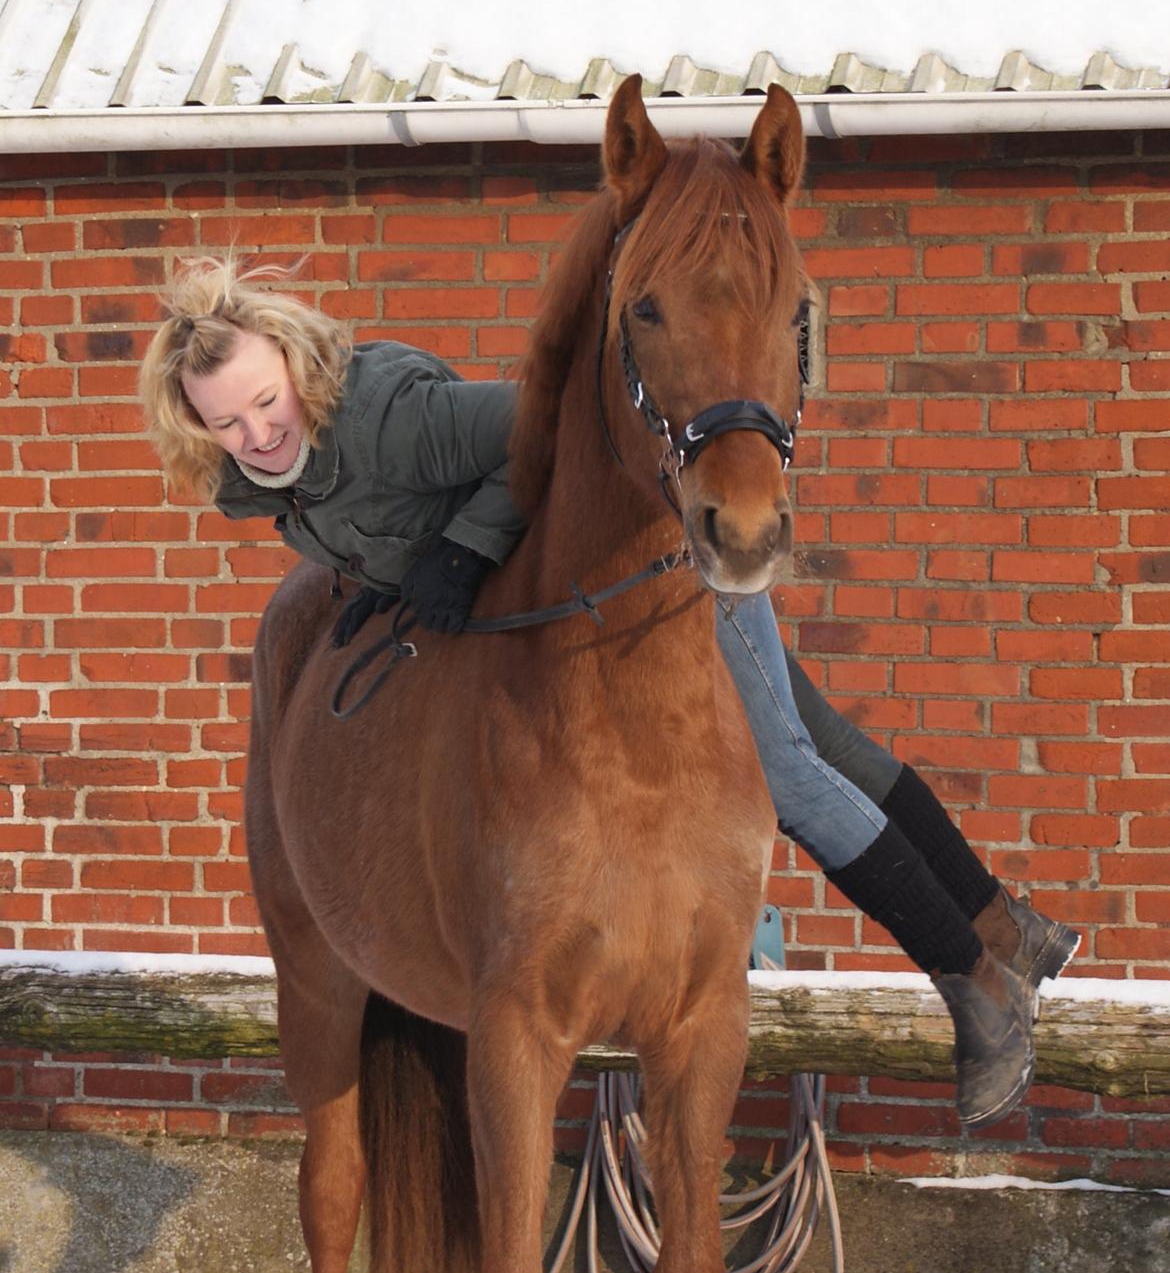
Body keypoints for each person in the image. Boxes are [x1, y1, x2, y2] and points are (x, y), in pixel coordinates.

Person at [139, 257, 1079, 1130]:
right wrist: (383, 588)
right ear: (194, 424)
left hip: (647, 563)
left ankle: (975, 981)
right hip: (587, 598)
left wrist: (464, 548)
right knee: (825, 740)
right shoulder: (259, 483)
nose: (257, 433)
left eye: (267, 401)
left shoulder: (386, 415)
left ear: (298, 370)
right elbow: (384, 525)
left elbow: (545, 434)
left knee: (788, 773)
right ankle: (1011, 927)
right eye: (225, 422)